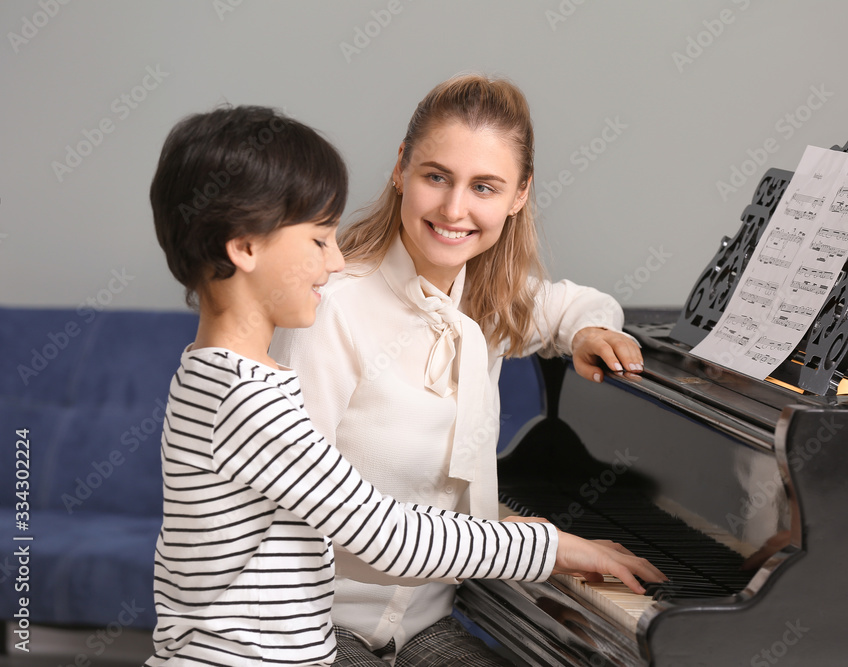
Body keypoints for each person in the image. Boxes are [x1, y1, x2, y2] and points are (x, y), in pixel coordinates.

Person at [144, 105, 663, 666]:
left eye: (484, 186)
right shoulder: (249, 400)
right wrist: (550, 546)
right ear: (244, 248)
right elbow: (383, 531)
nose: (337, 259)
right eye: (320, 240)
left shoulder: (217, 375)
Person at [269, 74, 645, 665]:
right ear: (401, 168)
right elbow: (309, 516)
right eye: (436, 177)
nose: (454, 209)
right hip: (316, 623)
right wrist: (548, 547)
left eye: (485, 187)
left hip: (425, 624)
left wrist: (590, 329)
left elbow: (570, 305)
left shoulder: (486, 298)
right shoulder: (331, 307)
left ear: (520, 194)